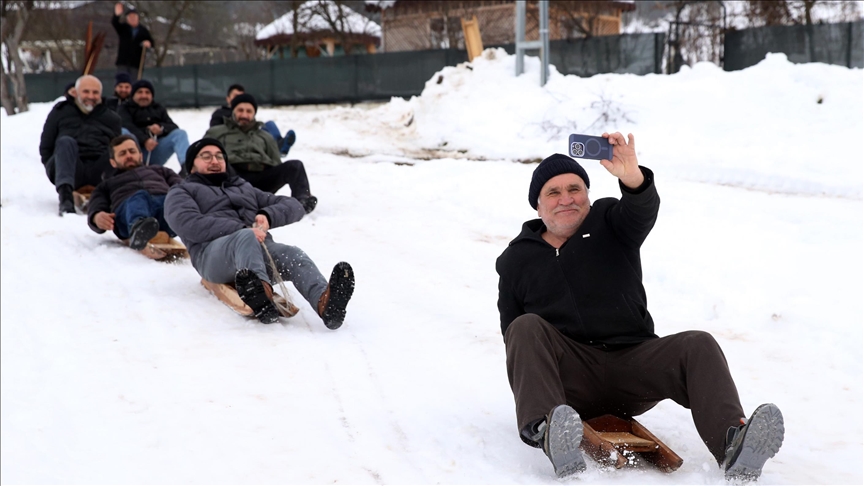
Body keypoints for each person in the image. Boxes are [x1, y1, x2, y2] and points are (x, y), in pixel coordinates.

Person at [496, 133, 784, 480]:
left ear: (587, 195)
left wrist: (631, 175)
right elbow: (514, 339)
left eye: (575, 189)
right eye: (553, 193)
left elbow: (641, 208)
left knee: (697, 343)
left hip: (631, 363)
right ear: (538, 206)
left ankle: (734, 445)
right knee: (524, 327)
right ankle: (548, 432)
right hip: (571, 377)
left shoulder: (609, 222)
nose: (566, 199)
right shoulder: (515, 259)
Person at [164, 138, 354, 326]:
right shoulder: (181, 191)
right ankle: (261, 294)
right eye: (206, 156)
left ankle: (325, 302)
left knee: (293, 254)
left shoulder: (243, 187)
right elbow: (188, 223)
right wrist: (243, 229)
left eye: (219, 156)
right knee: (245, 237)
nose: (214, 161)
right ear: (192, 166)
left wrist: (268, 215)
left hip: (256, 250)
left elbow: (294, 205)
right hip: (212, 256)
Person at [204, 93, 316, 213]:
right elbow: (203, 157)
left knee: (295, 165)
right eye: (240, 110)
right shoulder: (217, 132)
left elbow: (276, 163)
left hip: (261, 180)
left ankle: (302, 202)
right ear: (233, 111)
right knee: (223, 164)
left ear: (254, 114)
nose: (244, 115)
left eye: (249, 111)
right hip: (232, 178)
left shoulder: (265, 136)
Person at [39, 75, 122, 215]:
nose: (91, 96)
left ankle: (112, 198)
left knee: (118, 147)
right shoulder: (60, 112)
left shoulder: (111, 118)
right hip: (69, 167)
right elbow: (46, 147)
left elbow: (119, 149)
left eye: (95, 92)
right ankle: (66, 200)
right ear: (76, 92)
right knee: (66, 141)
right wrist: (54, 167)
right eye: (86, 91)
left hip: (99, 170)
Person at [88, 135, 182, 252]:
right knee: (139, 197)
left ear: (141, 155)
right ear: (113, 162)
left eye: (132, 151)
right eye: (122, 154)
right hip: (128, 214)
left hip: (164, 210)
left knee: (172, 199)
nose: (128, 156)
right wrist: (96, 217)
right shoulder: (106, 185)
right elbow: (96, 205)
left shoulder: (161, 170)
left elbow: (182, 188)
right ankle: (139, 228)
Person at [119, 79, 189, 170]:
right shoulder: (125, 108)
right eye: (140, 92)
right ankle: (129, 168)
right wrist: (145, 139)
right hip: (134, 150)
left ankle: (187, 167)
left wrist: (161, 128)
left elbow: (172, 126)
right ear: (133, 95)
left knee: (180, 134)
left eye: (147, 92)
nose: (144, 95)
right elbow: (127, 125)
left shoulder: (158, 108)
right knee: (124, 132)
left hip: (155, 151)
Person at [209, 84, 296, 155]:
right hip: (232, 140)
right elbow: (215, 132)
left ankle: (279, 144)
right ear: (228, 99)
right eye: (235, 96)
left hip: (252, 137)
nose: (244, 115)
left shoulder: (247, 115)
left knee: (269, 125)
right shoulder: (220, 113)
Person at [111, 2, 153, 76]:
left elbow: (151, 42)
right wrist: (117, 15)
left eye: (134, 17)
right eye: (130, 17)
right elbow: (115, 23)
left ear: (138, 18)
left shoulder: (143, 31)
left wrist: (148, 43)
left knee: (134, 84)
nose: (132, 19)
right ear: (127, 19)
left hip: (136, 64)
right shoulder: (123, 28)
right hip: (123, 62)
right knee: (122, 82)